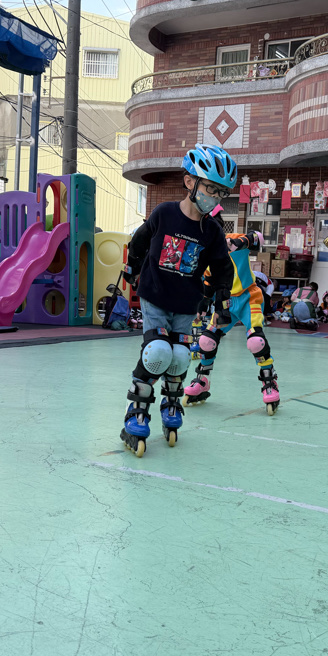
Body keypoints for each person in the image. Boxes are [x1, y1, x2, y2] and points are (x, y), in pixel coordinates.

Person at [119, 143, 236, 456]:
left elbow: (223, 268)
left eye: (221, 192)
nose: (215, 197)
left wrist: (222, 299)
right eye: (210, 188)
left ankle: (171, 403)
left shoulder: (212, 230)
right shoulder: (165, 213)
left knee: (181, 357)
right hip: (156, 295)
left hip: (186, 302)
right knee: (157, 352)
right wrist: (132, 267)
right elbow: (140, 239)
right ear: (190, 182)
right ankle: (136, 410)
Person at [185, 231, 281, 415]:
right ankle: (203, 380)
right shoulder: (205, 252)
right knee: (207, 341)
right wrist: (203, 302)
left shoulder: (231, 238)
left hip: (249, 297)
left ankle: (270, 382)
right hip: (225, 301)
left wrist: (240, 241)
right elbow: (208, 281)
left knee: (256, 341)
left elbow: (258, 237)